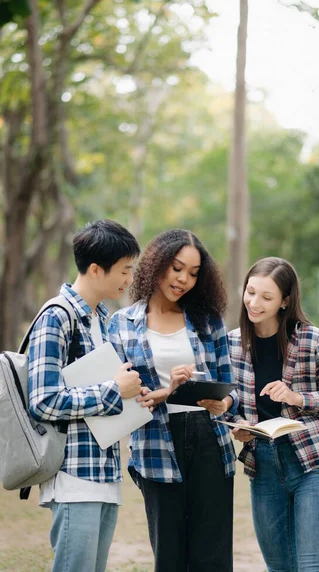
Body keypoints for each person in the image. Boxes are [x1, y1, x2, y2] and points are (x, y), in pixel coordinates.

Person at [108, 229, 236, 572]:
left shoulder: (208, 322)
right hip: (154, 444)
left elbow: (230, 385)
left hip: (210, 440)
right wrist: (167, 392)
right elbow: (117, 396)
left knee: (213, 554)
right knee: (169, 555)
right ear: (157, 264)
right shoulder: (121, 325)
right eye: (177, 268)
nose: (184, 280)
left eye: (194, 274)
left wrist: (225, 403)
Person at [28, 219, 150, 572]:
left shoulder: (101, 319)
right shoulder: (57, 317)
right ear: (96, 270)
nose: (129, 279)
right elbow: (44, 400)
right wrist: (114, 391)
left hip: (104, 475)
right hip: (72, 478)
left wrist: (131, 395)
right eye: (125, 270)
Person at [228, 257, 319, 572]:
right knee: (279, 567)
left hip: (314, 465)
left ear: (285, 301)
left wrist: (298, 397)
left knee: (311, 567)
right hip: (263, 468)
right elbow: (232, 403)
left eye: (266, 297)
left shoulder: (312, 339)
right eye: (251, 292)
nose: (254, 303)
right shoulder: (232, 345)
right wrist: (239, 427)